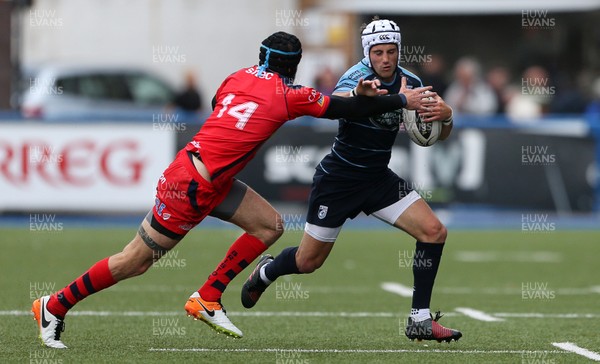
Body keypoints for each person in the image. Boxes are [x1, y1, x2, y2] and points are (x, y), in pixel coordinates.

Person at [31, 31, 438, 349]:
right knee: (134, 262)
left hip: (209, 177)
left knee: (270, 226)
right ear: (293, 67)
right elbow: (345, 108)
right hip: (188, 188)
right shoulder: (289, 96)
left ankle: (208, 296)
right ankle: (54, 305)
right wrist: (400, 98)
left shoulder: (238, 76)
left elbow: (218, 102)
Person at [241, 18, 462, 343]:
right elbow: (345, 101)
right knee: (308, 261)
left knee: (434, 232)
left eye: (391, 51)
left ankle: (419, 319)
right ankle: (266, 272)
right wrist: (363, 95)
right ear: (367, 53)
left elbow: (437, 136)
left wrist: (447, 117)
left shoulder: (412, 82)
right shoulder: (354, 78)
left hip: (378, 180)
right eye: (378, 52)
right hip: (339, 180)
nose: (385, 58)